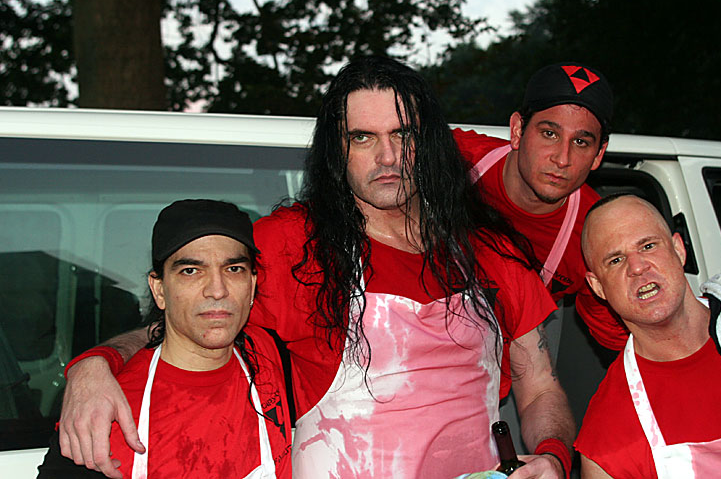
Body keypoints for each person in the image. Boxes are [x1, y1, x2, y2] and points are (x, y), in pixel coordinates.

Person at [58, 57, 575, 479]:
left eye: (403, 134)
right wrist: (97, 362)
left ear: (430, 143)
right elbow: (192, 315)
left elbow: (540, 386)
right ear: (337, 150)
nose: (387, 156)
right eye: (363, 137)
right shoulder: (290, 245)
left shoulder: (490, 250)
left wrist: (553, 456)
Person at [38, 199, 292, 478]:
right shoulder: (107, 413)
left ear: (252, 285)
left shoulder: (269, 351)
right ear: (159, 289)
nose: (218, 290)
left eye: (233, 269)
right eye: (191, 271)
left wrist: (96, 359)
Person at [574, 194, 721, 478]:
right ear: (598, 287)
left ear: (679, 250)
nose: (637, 267)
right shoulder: (607, 440)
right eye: (616, 260)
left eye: (648, 246)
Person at [452, 62, 628, 353]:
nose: (562, 159)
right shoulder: (453, 158)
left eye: (581, 142)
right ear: (517, 130)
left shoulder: (597, 233)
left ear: (598, 154)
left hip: (513, 356)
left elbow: (624, 339)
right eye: (549, 134)